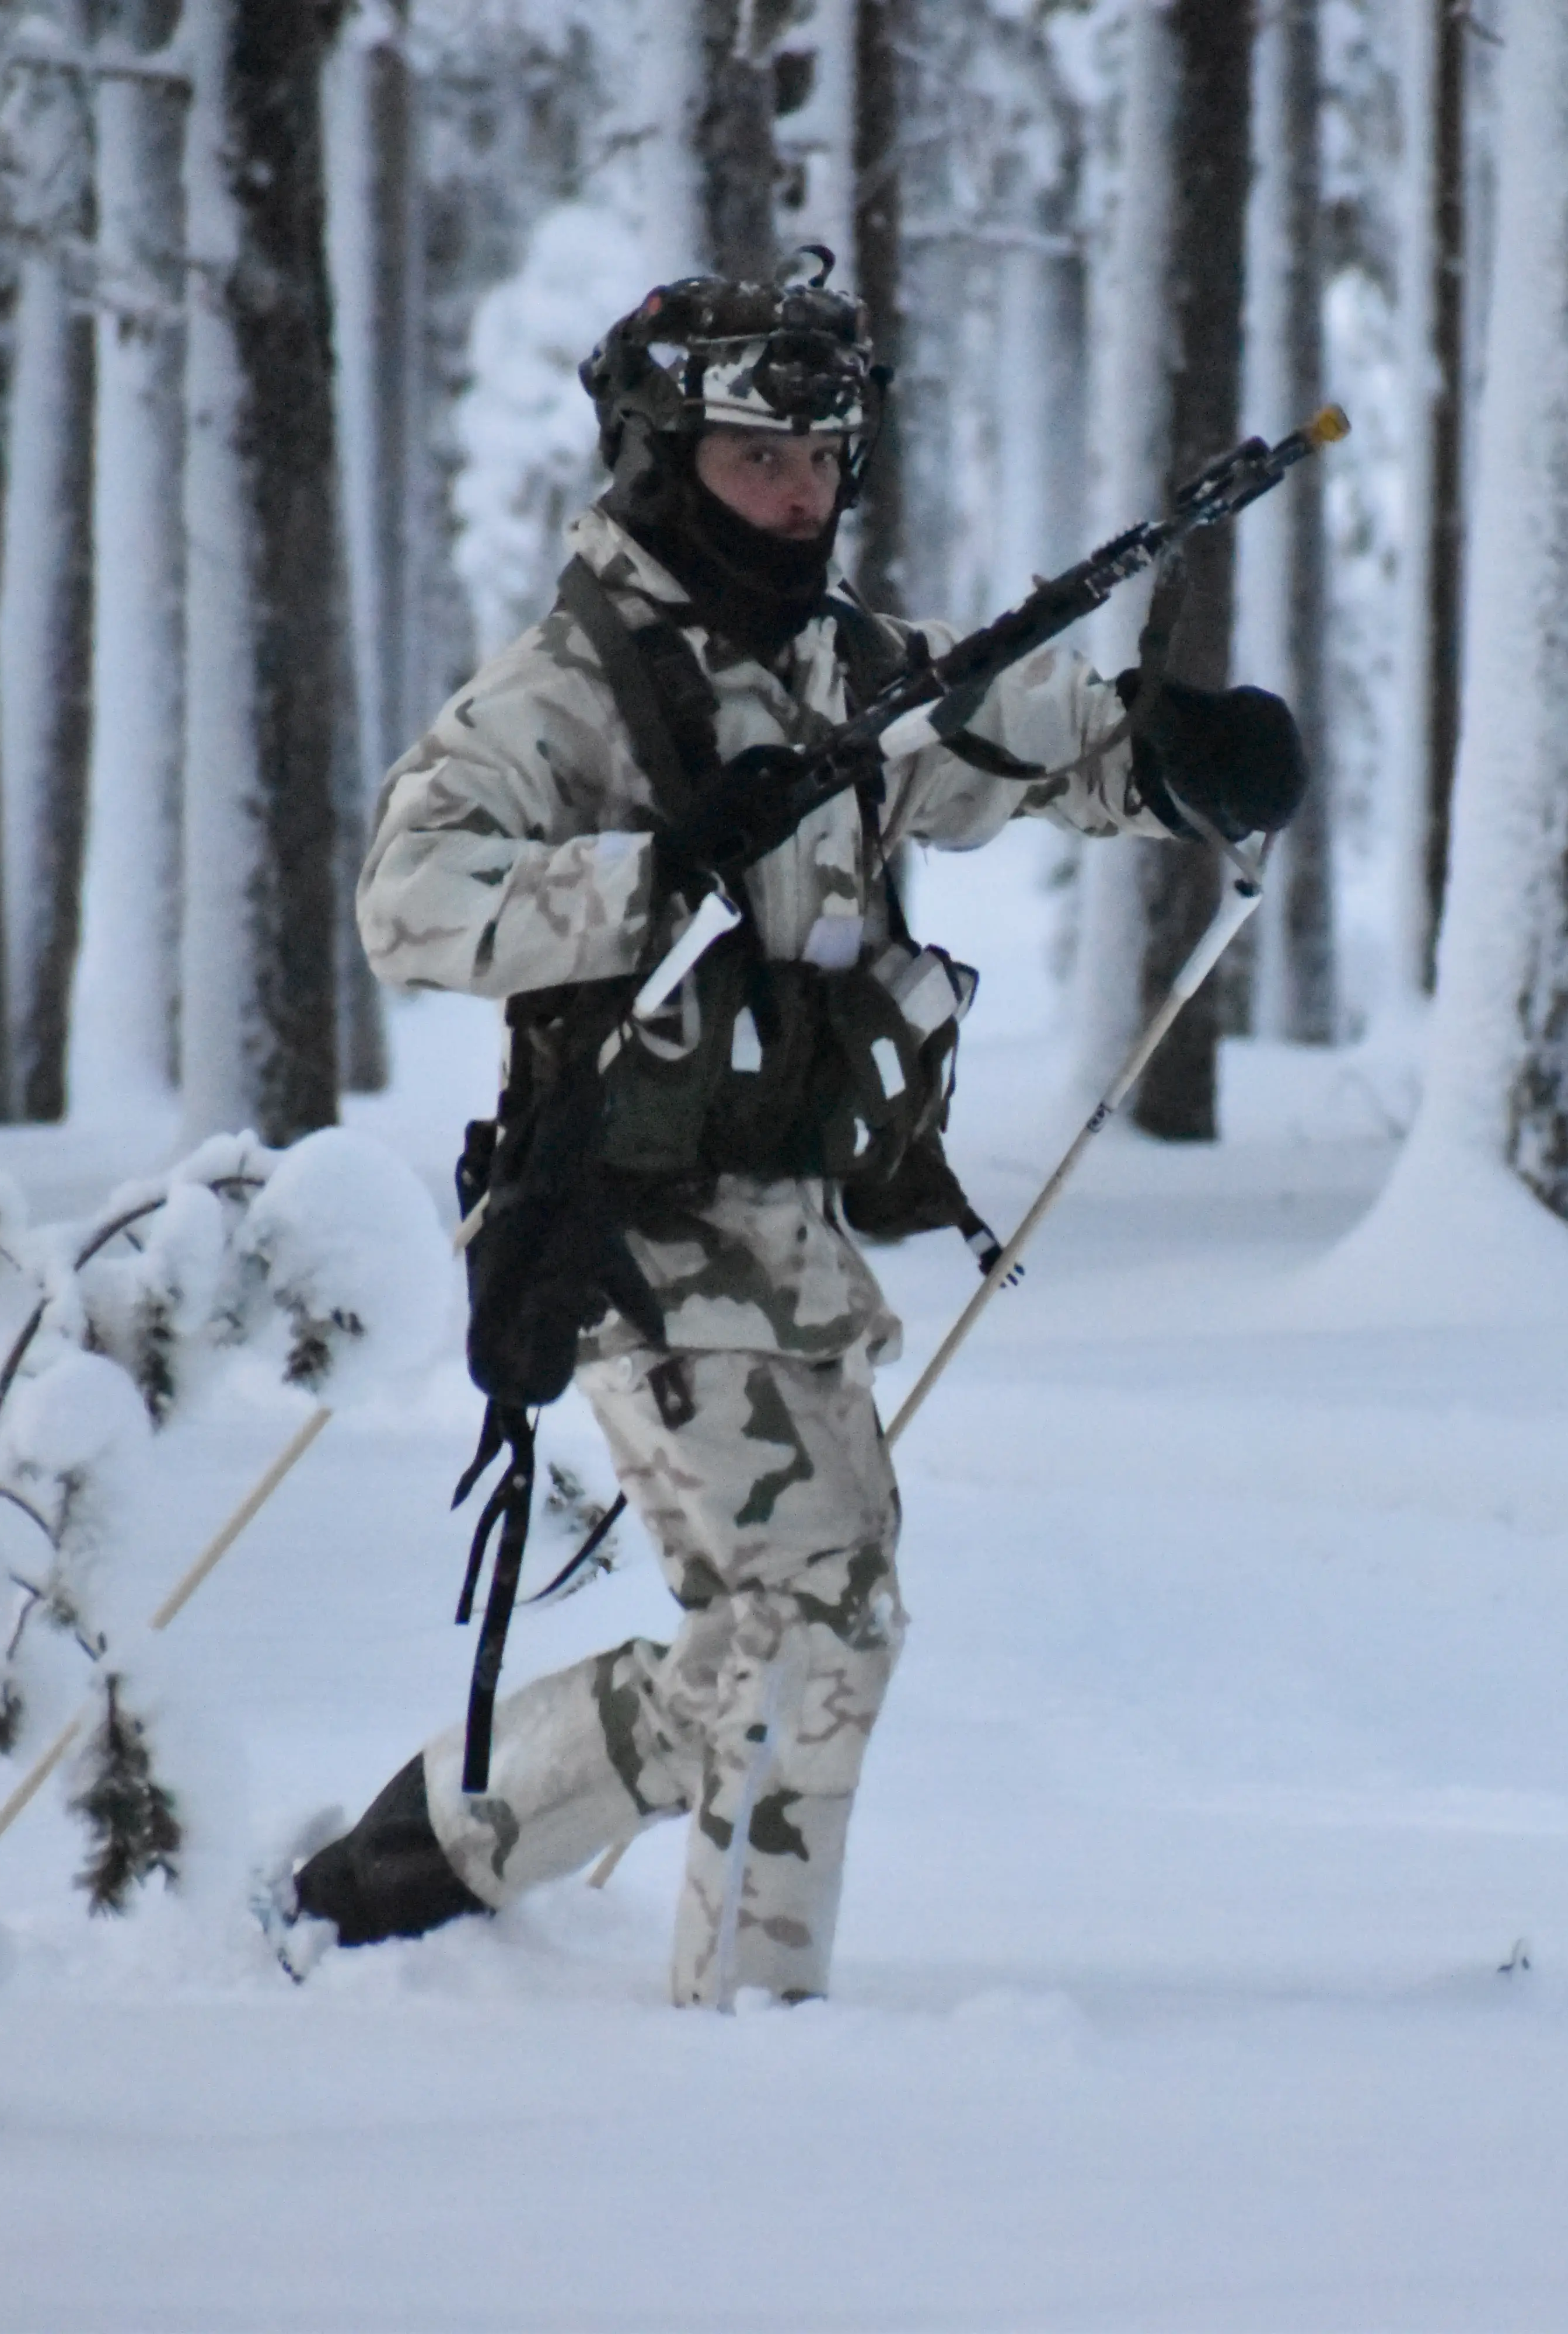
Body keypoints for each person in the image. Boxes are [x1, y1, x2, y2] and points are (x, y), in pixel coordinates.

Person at [285, 268, 1308, 2006]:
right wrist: (650, 874)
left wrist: (1168, 753)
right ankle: (747, 2039)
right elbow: (408, 898)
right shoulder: (566, 695)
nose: (806, 491)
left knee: (772, 1640)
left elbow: (1010, 734)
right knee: (821, 1621)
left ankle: (400, 1871)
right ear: (666, 454)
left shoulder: (849, 667)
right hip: (615, 1217)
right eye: (764, 455)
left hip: (784, 1233)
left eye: (829, 454)